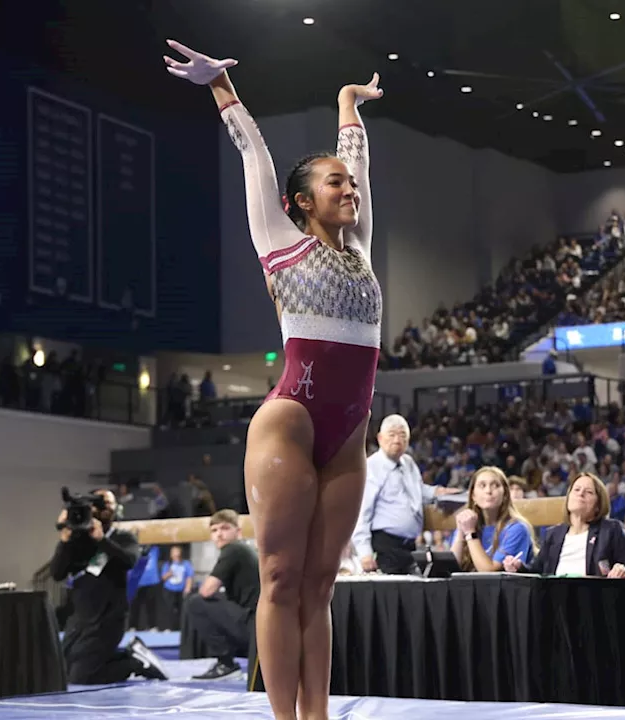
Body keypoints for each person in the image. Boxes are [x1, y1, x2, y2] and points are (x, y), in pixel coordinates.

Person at [164, 40, 384, 720]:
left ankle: (317, 716)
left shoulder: (362, 249)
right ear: (300, 201)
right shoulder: (278, 241)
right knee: (281, 577)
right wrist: (220, 85)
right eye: (334, 184)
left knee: (320, 587)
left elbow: (362, 163)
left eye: (350, 183)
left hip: (348, 435)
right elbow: (252, 153)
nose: (349, 189)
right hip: (290, 420)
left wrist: (349, 105)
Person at [49, 489, 146, 684]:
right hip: (80, 619)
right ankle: (119, 656)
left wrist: (102, 540)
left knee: (81, 677)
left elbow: (128, 561)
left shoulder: (124, 538)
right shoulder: (78, 540)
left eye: (110, 504)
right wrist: (65, 540)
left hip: (108, 619)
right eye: (102, 504)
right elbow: (57, 573)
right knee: (62, 672)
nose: (107, 508)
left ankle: (132, 662)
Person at [352, 414, 452, 575]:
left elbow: (417, 490)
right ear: (380, 438)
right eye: (392, 435)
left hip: (410, 545)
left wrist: (437, 491)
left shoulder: (409, 463)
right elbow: (361, 511)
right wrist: (364, 552)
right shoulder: (371, 467)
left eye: (402, 435)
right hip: (385, 545)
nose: (397, 440)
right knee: (390, 595)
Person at [502, 472, 625, 577]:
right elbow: (535, 571)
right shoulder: (554, 534)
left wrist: (624, 570)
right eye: (576, 490)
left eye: (588, 492)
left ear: (598, 505)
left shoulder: (610, 530)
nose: (580, 494)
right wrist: (518, 567)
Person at [187, 510, 260, 680]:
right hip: (257, 625)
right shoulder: (244, 550)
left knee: (196, 603)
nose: (219, 534)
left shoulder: (234, 549)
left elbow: (207, 590)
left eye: (225, 528)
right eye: (214, 530)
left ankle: (226, 664)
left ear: (238, 531)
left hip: (254, 627)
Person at [449, 466, 540, 571]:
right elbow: (451, 569)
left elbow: (490, 573)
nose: (488, 491)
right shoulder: (469, 523)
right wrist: (461, 531)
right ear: (473, 495)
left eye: (495, 485)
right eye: (482, 486)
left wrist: (470, 534)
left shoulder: (517, 528)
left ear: (505, 494)